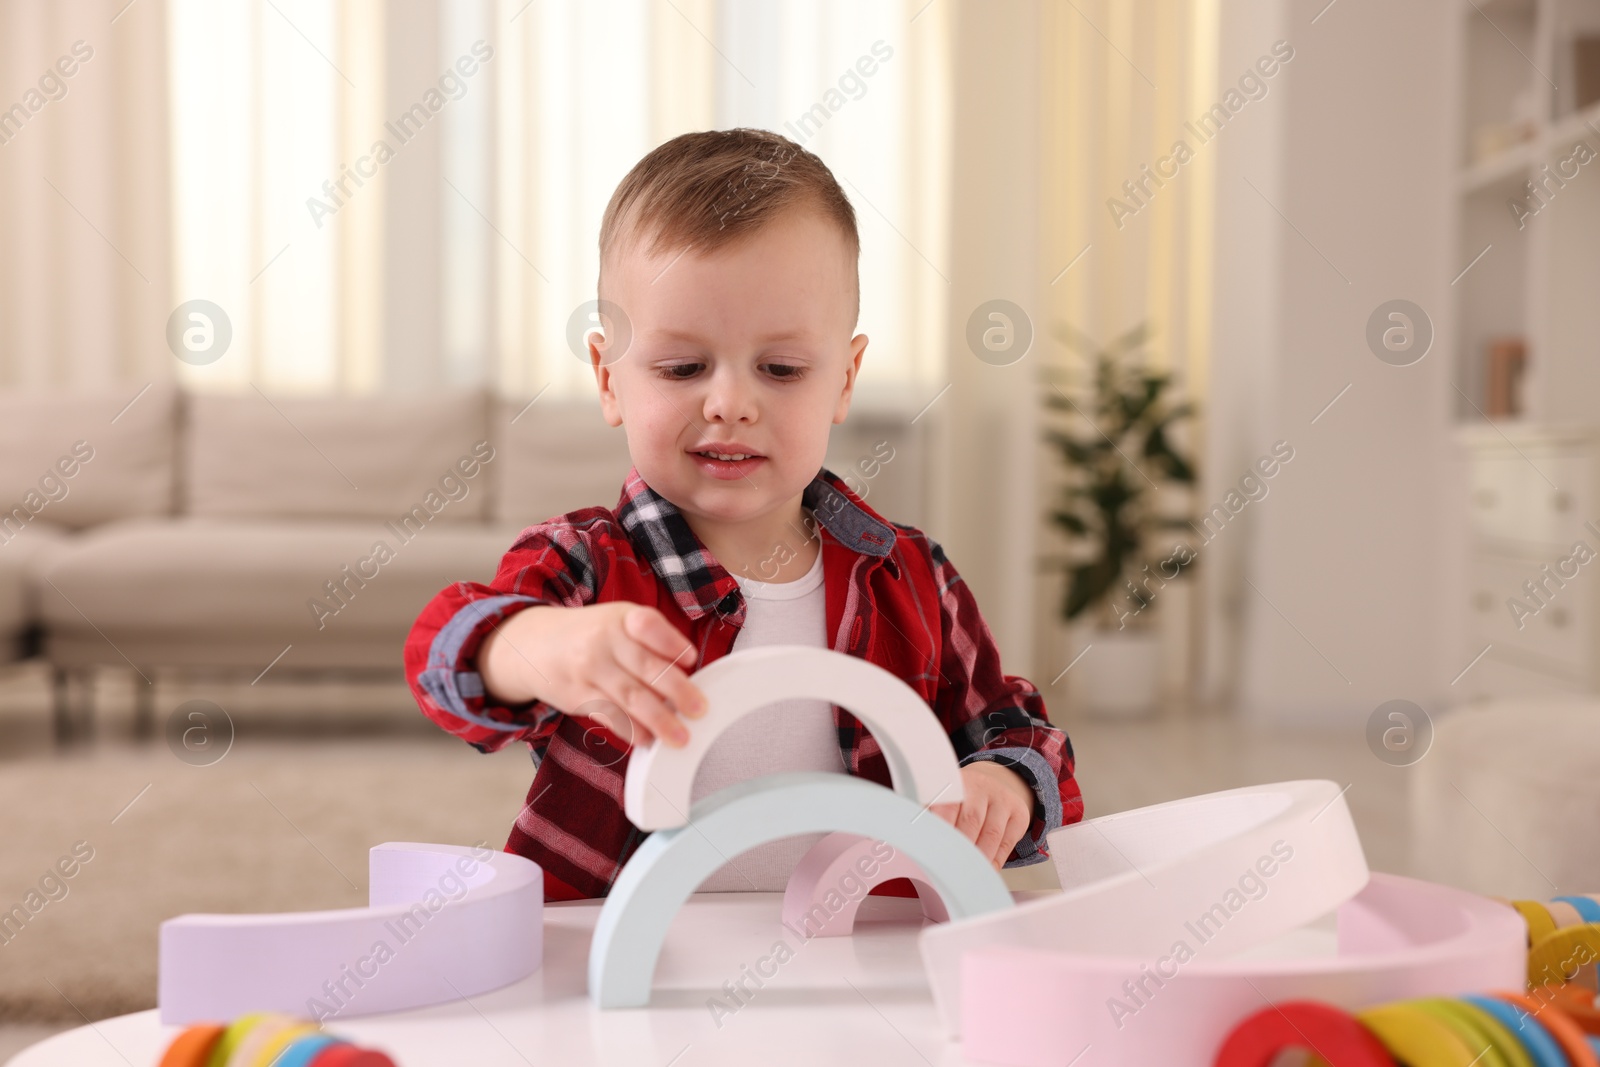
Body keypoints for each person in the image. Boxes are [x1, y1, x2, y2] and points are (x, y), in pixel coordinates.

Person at [403, 127, 1083, 902]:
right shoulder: (587, 563)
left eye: (782, 369)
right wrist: (536, 645)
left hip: (863, 959)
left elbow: (1020, 727)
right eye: (683, 367)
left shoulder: (910, 574)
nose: (730, 403)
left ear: (845, 379)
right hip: (632, 963)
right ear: (609, 378)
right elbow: (445, 652)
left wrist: (1004, 780)